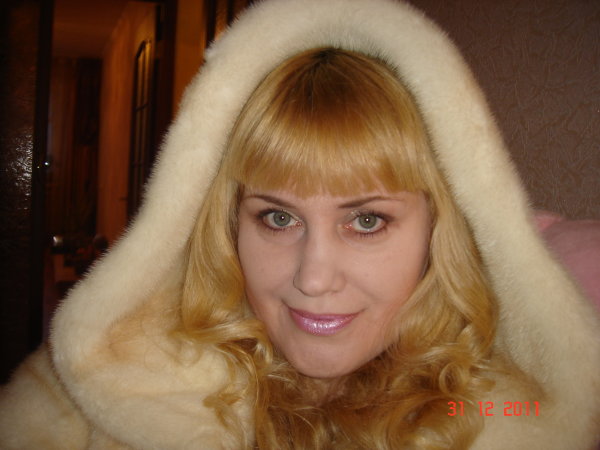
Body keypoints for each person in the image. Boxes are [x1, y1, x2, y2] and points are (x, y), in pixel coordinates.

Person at [1, 0, 599, 448]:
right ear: (229, 226)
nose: (313, 278)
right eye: (278, 216)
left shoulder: (510, 421)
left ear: (438, 232)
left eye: (367, 220)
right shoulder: (96, 387)